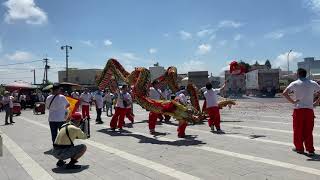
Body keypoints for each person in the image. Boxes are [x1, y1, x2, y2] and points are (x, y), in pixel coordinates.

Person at [283, 68, 320, 156]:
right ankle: (310, 149)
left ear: (298, 74)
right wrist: (317, 102)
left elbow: (284, 93)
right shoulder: (313, 83)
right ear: (305, 74)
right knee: (308, 130)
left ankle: (299, 148)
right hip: (309, 110)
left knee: (298, 130)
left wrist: (293, 102)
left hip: (298, 110)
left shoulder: (295, 83)